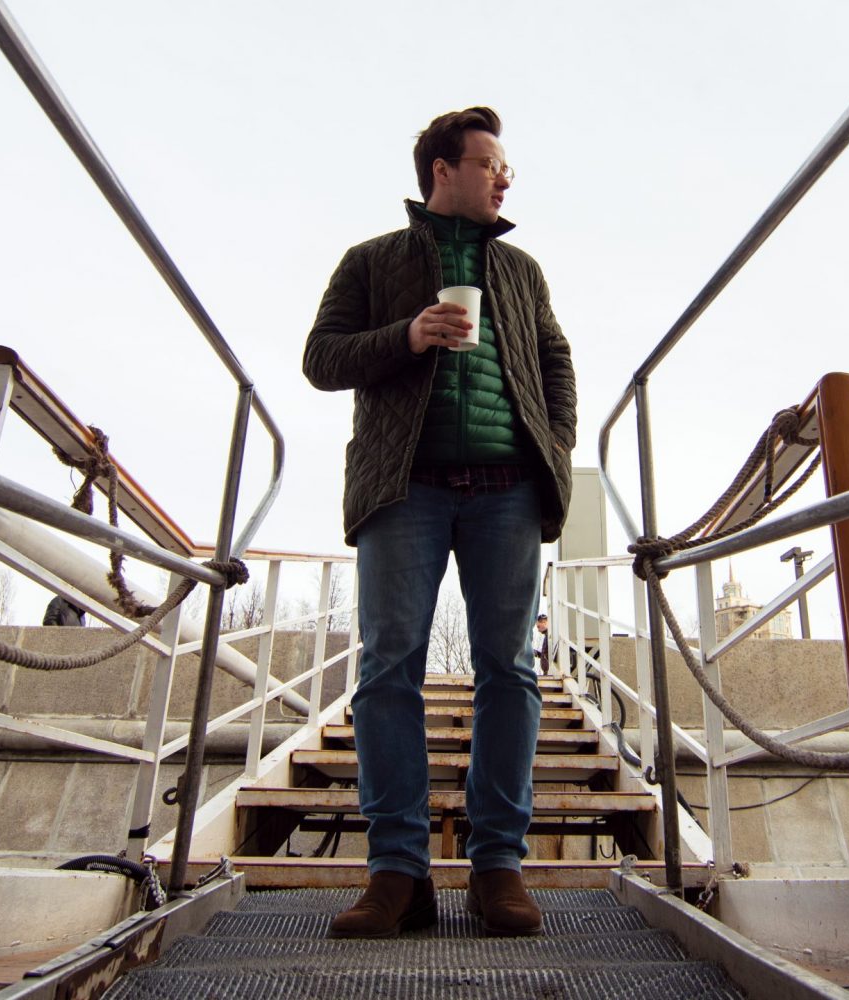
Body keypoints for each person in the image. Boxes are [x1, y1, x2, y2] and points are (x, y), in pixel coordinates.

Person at [302, 106, 576, 939]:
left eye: (505, 167)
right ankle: (398, 874)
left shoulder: (522, 270)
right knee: (388, 670)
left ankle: (498, 870)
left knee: (511, 672)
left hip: (507, 491)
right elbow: (321, 358)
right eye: (491, 163)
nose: (504, 178)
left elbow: (556, 360)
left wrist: (555, 446)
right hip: (404, 489)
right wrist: (408, 334)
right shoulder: (371, 260)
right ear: (442, 171)